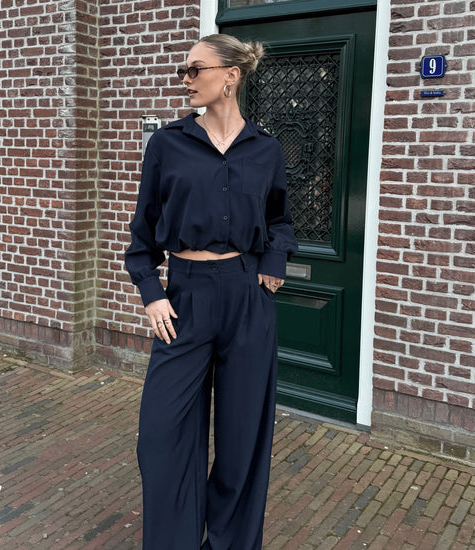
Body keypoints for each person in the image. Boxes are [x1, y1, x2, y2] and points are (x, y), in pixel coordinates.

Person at [125, 33, 297, 550]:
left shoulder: (266, 149)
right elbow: (142, 232)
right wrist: (151, 291)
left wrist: (274, 260)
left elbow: (280, 220)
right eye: (184, 70)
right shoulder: (167, 144)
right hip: (185, 297)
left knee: (243, 438)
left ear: (230, 76)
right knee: (160, 436)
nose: (186, 79)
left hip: (247, 298)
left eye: (195, 69)